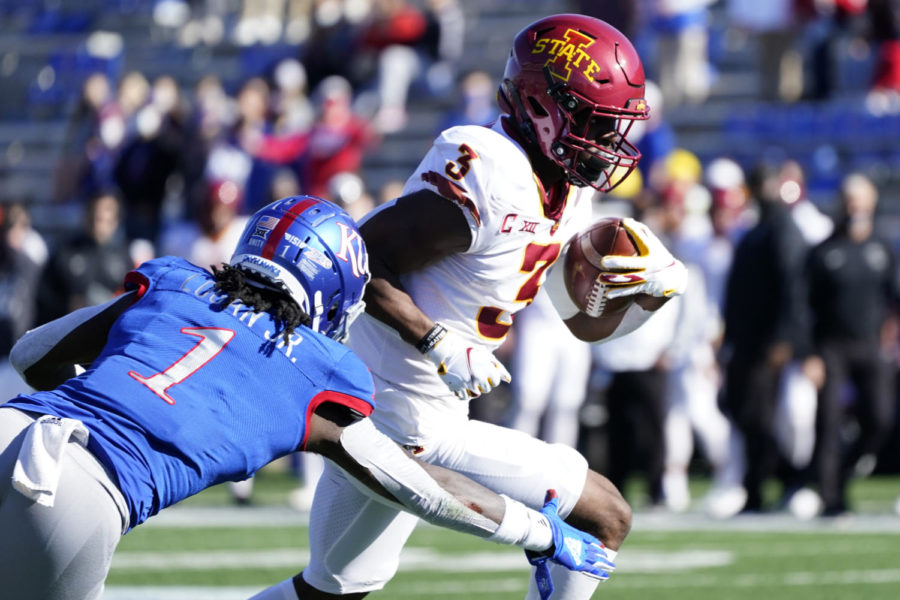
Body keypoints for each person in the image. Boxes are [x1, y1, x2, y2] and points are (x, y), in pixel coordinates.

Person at [0, 196, 616, 600]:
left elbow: (30, 356)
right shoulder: (317, 371)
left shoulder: (175, 280)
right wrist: (543, 534)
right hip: (69, 495)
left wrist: (111, 401)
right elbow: (419, 486)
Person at [290, 14, 687, 600]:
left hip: (407, 414)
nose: (606, 142)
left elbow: (549, 297)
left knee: (328, 593)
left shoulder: (565, 182)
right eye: (594, 123)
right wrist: (432, 338)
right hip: (407, 423)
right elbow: (354, 256)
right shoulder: (490, 171)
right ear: (541, 104)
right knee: (603, 515)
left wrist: (625, 281)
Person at [805, 173, 900, 516]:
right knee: (828, 421)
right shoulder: (824, 251)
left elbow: (894, 298)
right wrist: (810, 354)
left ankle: (844, 471)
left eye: (860, 198)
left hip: (871, 344)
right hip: (832, 346)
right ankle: (830, 498)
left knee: (880, 418)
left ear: (872, 202)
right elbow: (806, 307)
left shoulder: (881, 248)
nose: (854, 205)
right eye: (849, 198)